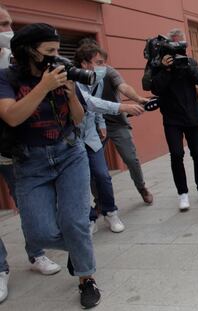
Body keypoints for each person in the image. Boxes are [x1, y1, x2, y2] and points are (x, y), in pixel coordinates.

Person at [0, 23, 100, 308]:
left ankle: (86, 278)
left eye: (58, 50)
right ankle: (80, 248)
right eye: (50, 51)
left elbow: (78, 119)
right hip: (30, 162)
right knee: (38, 233)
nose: (57, 56)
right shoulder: (5, 78)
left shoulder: (61, 71)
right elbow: (12, 117)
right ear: (29, 51)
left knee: (75, 221)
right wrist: (44, 87)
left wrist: (69, 93)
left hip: (69, 153)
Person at [0, 6, 60, 304]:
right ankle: (0, 268)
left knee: (27, 205)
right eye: (1, 24)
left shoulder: (16, 64)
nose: (7, 29)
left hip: (13, 148)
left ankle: (35, 253)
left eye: (9, 23)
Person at [74, 43, 144, 234]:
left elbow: (96, 111)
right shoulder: (73, 81)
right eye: (99, 62)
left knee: (103, 176)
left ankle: (111, 212)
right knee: (81, 180)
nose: (103, 66)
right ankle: (89, 217)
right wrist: (122, 107)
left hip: (91, 137)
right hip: (72, 140)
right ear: (85, 63)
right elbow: (89, 102)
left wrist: (101, 125)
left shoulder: (99, 79)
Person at [150, 28, 198, 211]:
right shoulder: (160, 64)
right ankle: (182, 193)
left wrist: (189, 66)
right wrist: (165, 68)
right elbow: (155, 88)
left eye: (180, 43)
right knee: (176, 155)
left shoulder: (190, 61)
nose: (177, 48)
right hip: (171, 118)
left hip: (192, 115)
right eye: (174, 43)